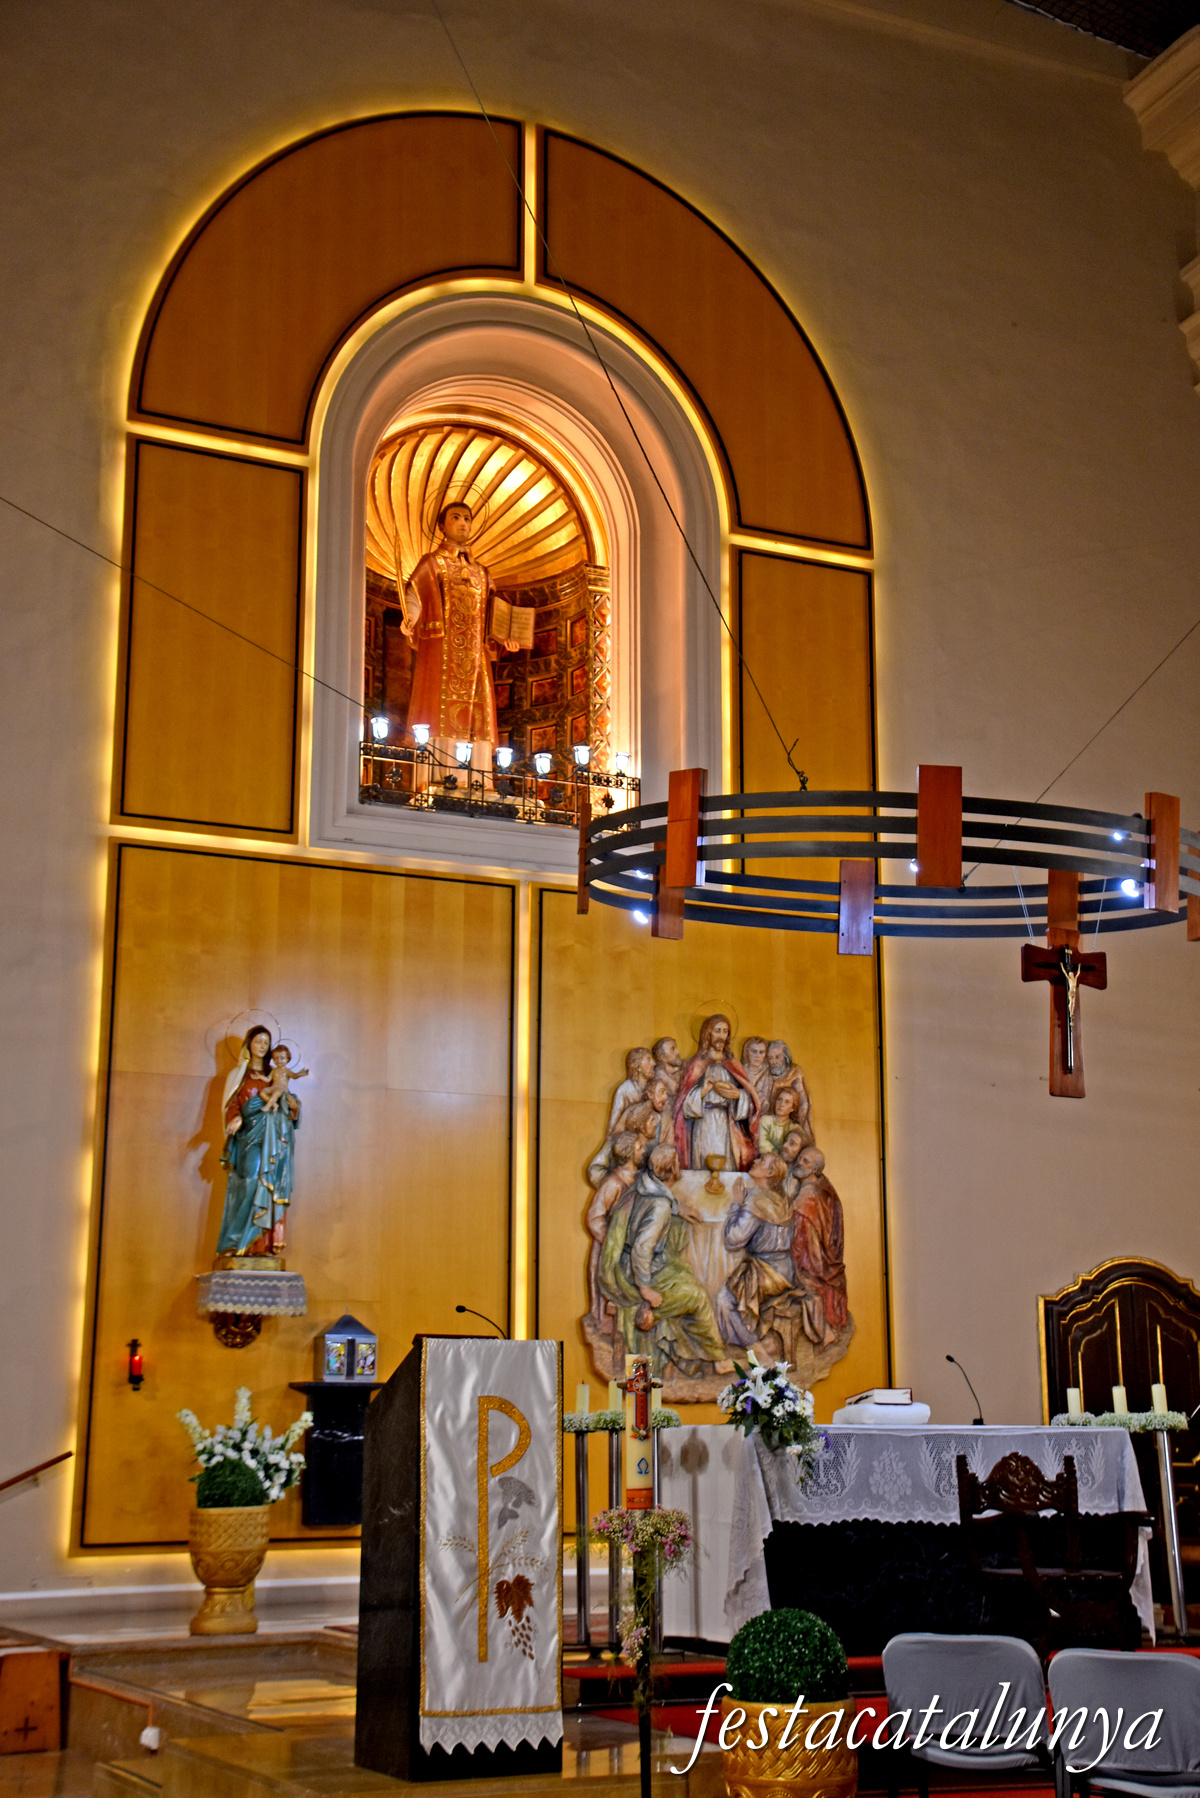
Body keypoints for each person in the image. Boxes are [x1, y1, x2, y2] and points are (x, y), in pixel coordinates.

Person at [400, 500, 520, 766]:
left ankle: (477, 781)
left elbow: (493, 614)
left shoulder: (482, 572)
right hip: (442, 652)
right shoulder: (432, 563)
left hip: (475, 657)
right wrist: (410, 618)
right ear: (442, 527)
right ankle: (438, 777)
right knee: (437, 711)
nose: (464, 523)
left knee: (477, 717)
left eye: (467, 518)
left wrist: (505, 638)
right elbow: (415, 595)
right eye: (457, 518)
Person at [618, 1143, 733, 1377]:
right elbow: (642, 1248)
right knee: (698, 1296)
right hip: (640, 1272)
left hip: (645, 1265)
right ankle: (716, 1359)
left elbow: (658, 1200)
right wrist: (646, 1288)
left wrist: (678, 1208)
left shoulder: (647, 1186)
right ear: (672, 1169)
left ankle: (697, 1350)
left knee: (685, 1274)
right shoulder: (660, 1207)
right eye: (677, 1162)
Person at [216, 1026, 300, 1257]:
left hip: (273, 1138)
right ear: (249, 1044)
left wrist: (295, 1108)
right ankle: (235, 1241)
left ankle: (259, 1246)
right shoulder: (239, 1075)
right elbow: (232, 1103)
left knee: (267, 1184)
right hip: (248, 1137)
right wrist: (235, 1117)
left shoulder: (276, 1072)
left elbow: (286, 1101)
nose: (262, 1046)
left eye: (266, 1042)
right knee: (250, 1179)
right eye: (258, 1041)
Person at [715, 1153, 799, 1349]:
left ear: (770, 1172)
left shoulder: (757, 1197)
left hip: (767, 1272)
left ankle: (755, 1348)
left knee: (724, 1300)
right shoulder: (781, 1196)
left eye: (761, 1161)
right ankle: (762, 1339)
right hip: (786, 1269)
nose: (754, 1161)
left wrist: (736, 1204)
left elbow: (732, 1240)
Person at [673, 1014, 760, 1171]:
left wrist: (738, 1095)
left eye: (725, 1031)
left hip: (727, 1124)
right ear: (708, 1034)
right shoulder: (698, 1064)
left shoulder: (733, 1064)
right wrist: (703, 1091)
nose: (721, 1036)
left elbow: (752, 1099)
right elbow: (682, 1105)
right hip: (703, 1123)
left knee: (727, 1165)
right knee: (703, 1165)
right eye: (717, 1031)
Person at [792, 1146, 849, 1346]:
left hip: (816, 1261)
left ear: (815, 1170)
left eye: (806, 1162)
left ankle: (824, 1332)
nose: (800, 1162)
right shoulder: (825, 1186)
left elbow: (802, 1242)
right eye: (801, 1158)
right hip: (828, 1256)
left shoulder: (806, 1199)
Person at [585, 1131, 641, 1331]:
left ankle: (638, 1362)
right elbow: (594, 1217)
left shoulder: (639, 1181)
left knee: (636, 1322)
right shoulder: (613, 1184)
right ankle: (633, 1361)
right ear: (628, 1154)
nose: (643, 1151)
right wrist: (613, 1240)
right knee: (622, 1326)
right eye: (639, 1148)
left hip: (633, 1252)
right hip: (613, 1255)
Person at [757, 1085, 804, 1157]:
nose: (781, 1104)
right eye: (779, 1099)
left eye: (787, 1102)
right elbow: (762, 1144)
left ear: (792, 1108)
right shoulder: (765, 1121)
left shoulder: (795, 1128)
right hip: (767, 1159)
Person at [261, 1043, 308, 1113]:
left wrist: (300, 1074)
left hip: (282, 1089)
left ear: (287, 1058)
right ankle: (274, 1104)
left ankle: (267, 1106)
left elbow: (294, 1076)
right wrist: (259, 1077)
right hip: (273, 1087)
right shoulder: (274, 1070)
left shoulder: (286, 1071)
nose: (279, 1061)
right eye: (276, 1058)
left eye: (282, 1058)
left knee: (276, 1093)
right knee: (262, 1092)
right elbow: (268, 1079)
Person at [741, 1037, 772, 1110]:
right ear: (747, 1052)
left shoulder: (767, 1076)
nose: (757, 1056)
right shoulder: (740, 1070)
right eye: (754, 1051)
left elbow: (766, 1104)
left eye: (761, 1052)